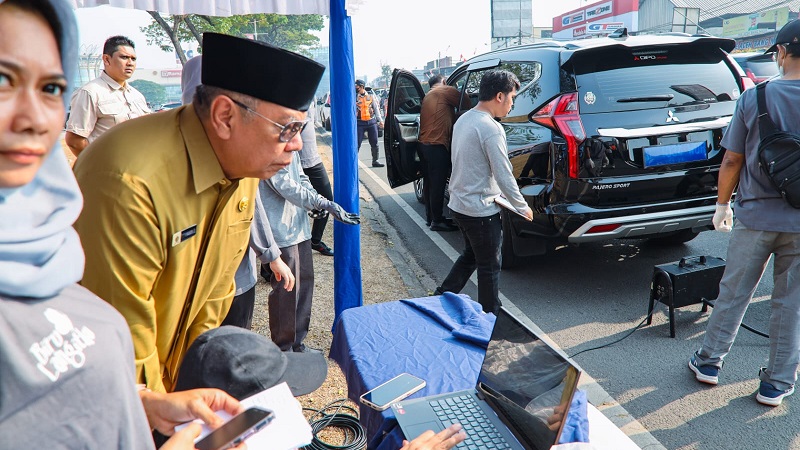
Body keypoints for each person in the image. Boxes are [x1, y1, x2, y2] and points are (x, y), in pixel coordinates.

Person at [0, 2, 243, 448]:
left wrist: (139, 401)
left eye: (51, 87)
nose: (35, 119)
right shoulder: (121, 181)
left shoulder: (47, 255)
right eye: (3, 80)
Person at [73, 32, 326, 393]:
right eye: (289, 128)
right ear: (225, 116)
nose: (297, 144)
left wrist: (198, 379)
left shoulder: (242, 166)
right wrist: (164, 411)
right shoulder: (129, 180)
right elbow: (122, 340)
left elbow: (214, 293)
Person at [687, 19, 800, 407]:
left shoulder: (755, 98)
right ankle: (777, 383)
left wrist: (722, 205)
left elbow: (732, 158)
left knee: (733, 293)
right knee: (791, 304)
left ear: (781, 53)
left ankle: (709, 363)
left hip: (754, 217)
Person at [179, 55, 295, 330]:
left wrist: (271, 255)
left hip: (236, 276)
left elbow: (250, 206)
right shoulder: (169, 158)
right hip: (191, 284)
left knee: (234, 344)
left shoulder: (237, 148)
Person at [434, 70, 533, 314]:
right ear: (499, 96)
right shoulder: (490, 128)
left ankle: (440, 297)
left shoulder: (464, 119)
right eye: (512, 97)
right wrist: (522, 206)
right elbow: (504, 173)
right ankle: (491, 317)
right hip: (480, 210)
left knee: (471, 255)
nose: (512, 104)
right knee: (489, 266)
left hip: (459, 204)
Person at [260, 152, 359, 353]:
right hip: (279, 226)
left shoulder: (291, 137)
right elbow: (282, 183)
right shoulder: (270, 138)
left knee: (304, 284)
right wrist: (320, 202)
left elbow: (300, 176)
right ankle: (283, 348)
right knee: (286, 290)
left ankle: (297, 342)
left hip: (298, 224)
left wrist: (316, 199)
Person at [64, 34, 149, 157]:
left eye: (133, 59)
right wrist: (102, 167)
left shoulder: (137, 96)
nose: (130, 63)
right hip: (108, 172)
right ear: (106, 59)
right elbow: (75, 141)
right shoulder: (90, 92)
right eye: (124, 57)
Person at [418, 74, 464, 232]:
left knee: (430, 183)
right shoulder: (444, 90)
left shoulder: (428, 95)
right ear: (444, 82)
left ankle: (431, 217)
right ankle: (437, 221)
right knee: (438, 184)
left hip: (425, 145)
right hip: (437, 145)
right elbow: (466, 103)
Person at [300, 100, 336, 256]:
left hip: (313, 159)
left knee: (327, 198)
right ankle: (269, 263)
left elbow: (312, 122)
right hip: (292, 160)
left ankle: (315, 240)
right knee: (286, 206)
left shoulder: (312, 97)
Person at [356, 79, 385, 167]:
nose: (356, 88)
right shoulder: (354, 97)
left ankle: (375, 161)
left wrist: (380, 121)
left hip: (371, 122)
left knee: (374, 142)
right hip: (359, 123)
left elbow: (376, 109)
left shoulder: (370, 96)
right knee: (357, 143)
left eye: (357, 87)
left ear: (362, 86)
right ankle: (354, 162)